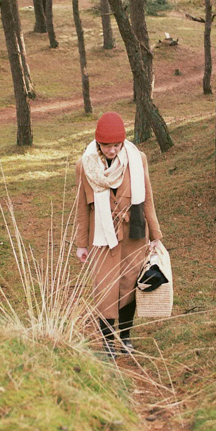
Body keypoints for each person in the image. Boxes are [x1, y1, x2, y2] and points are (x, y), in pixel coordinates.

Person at [75, 112, 162, 357]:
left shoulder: (138, 159)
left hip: (134, 234)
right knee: (104, 289)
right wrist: (81, 244)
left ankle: (125, 337)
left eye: (117, 145)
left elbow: (148, 198)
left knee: (129, 287)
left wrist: (155, 235)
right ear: (98, 143)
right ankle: (107, 342)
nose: (112, 150)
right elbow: (82, 206)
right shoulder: (84, 165)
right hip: (101, 238)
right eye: (107, 146)